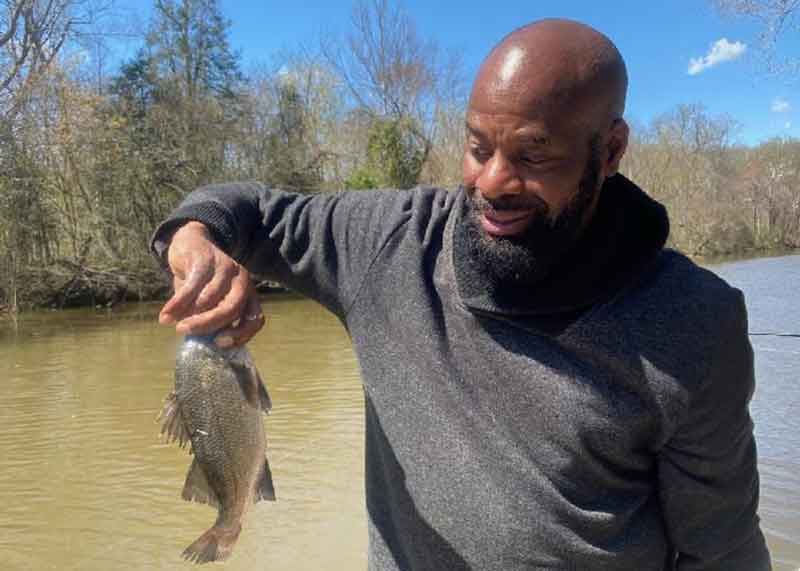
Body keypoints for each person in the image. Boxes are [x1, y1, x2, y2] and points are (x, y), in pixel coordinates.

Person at [151, 19, 772, 571]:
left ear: (609, 151)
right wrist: (193, 242)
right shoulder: (387, 245)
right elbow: (248, 209)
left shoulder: (693, 318)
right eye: (478, 147)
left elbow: (721, 549)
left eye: (533, 154)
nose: (493, 181)